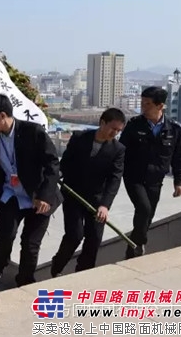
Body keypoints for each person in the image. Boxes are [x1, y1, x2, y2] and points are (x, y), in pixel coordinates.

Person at [0, 92, 61, 290]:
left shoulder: (32, 132)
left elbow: (52, 163)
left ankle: (25, 282)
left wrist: (45, 195)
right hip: (11, 195)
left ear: (2, 116)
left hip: (38, 198)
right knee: (4, 238)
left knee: (30, 245)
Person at [50, 108, 126, 276]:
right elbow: (65, 164)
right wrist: (55, 178)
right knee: (75, 235)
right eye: (113, 128)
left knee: (94, 240)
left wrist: (105, 205)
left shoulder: (118, 149)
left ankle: (83, 274)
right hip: (73, 195)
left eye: (119, 130)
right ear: (102, 122)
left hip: (97, 201)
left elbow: (115, 179)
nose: (115, 133)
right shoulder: (79, 138)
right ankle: (57, 267)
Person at [119, 87, 181, 259]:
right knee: (143, 208)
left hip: (156, 180)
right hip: (134, 177)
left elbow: (179, 157)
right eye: (142, 103)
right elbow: (120, 151)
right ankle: (139, 244)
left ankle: (132, 248)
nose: (143, 107)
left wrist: (178, 182)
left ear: (160, 106)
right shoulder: (134, 125)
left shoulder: (174, 129)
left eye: (147, 104)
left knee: (147, 215)